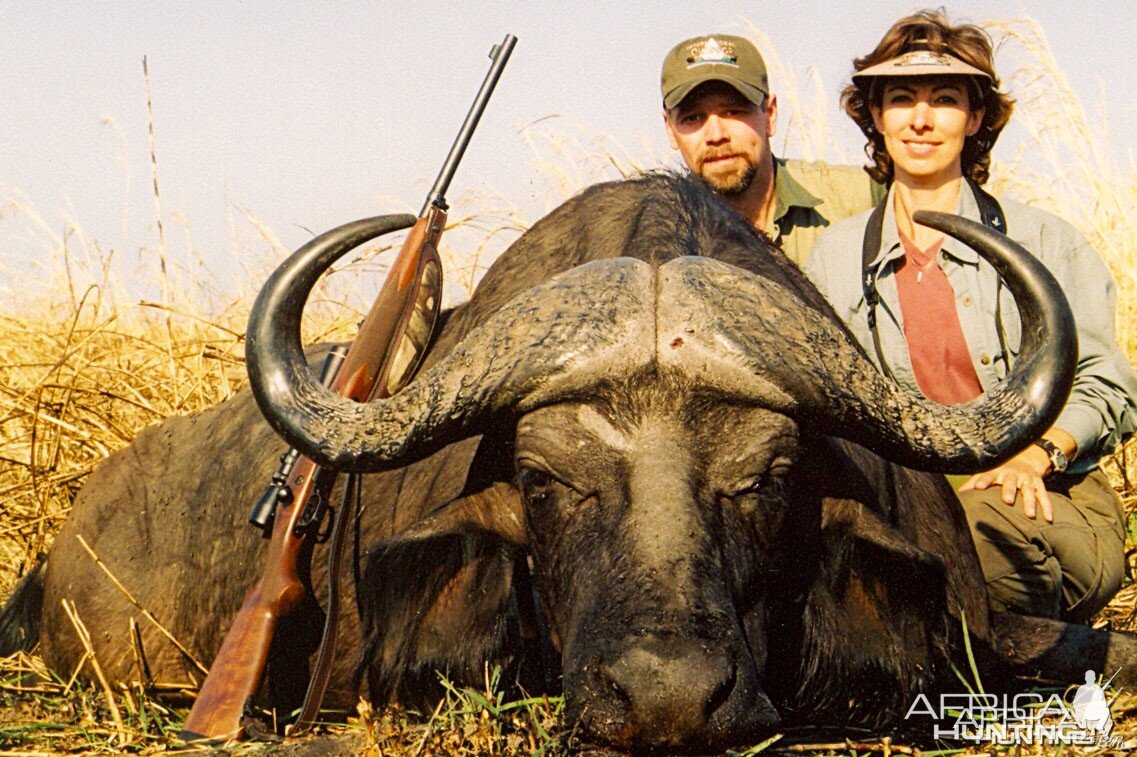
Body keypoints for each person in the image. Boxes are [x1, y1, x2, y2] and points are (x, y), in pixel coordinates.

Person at [805, 10, 1137, 622]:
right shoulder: (834, 255)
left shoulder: (1046, 238)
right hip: (906, 506)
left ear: (976, 117)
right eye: (901, 99)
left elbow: (1109, 381)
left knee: (973, 538)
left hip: (1039, 496)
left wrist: (1038, 453)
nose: (922, 120)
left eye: (946, 99)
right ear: (875, 117)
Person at [660, 34, 883, 265]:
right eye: (693, 118)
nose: (716, 135)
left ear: (771, 115)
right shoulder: (659, 234)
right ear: (669, 129)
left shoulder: (858, 198)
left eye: (733, 112)